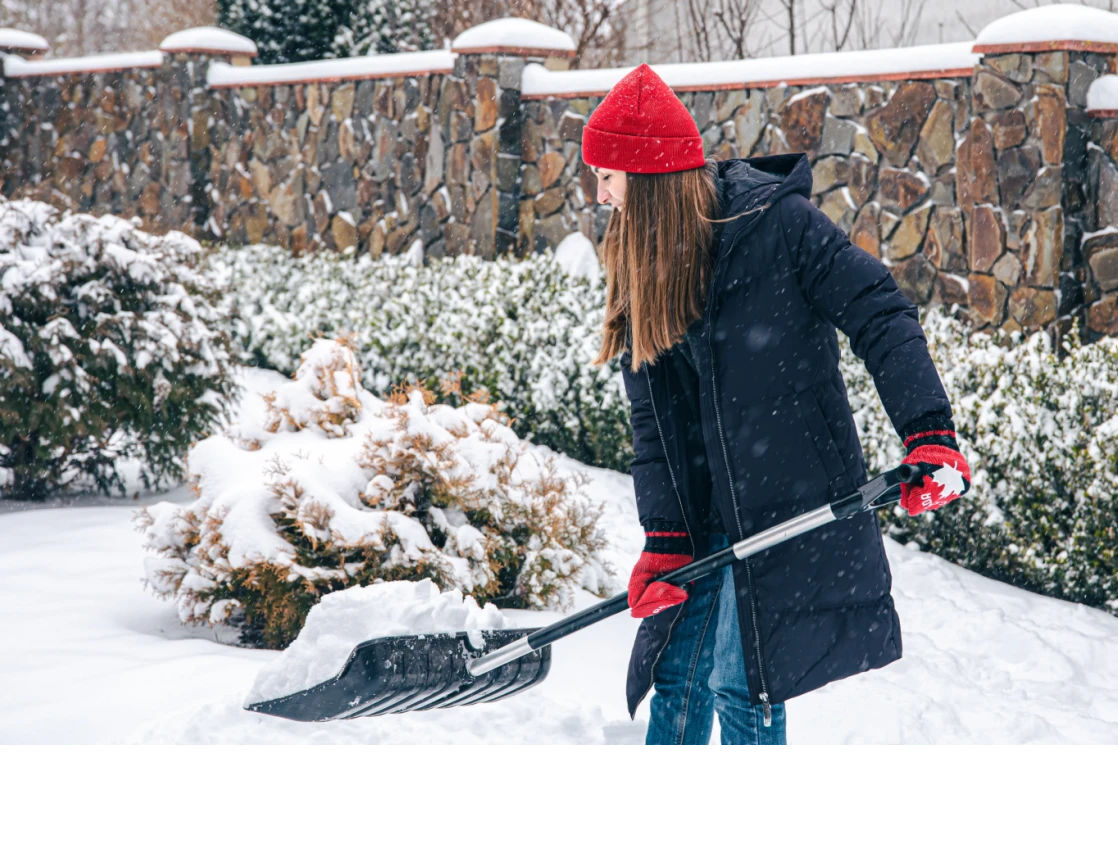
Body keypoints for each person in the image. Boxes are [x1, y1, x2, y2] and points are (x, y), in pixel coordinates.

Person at [582, 64, 971, 749]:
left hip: (785, 499)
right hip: (705, 511)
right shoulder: (642, 257)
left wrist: (928, 432)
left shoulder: (781, 228)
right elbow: (656, 426)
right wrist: (666, 536)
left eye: (607, 176)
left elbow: (880, 311)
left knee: (742, 682)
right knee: (677, 674)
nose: (600, 194)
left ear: (646, 179)